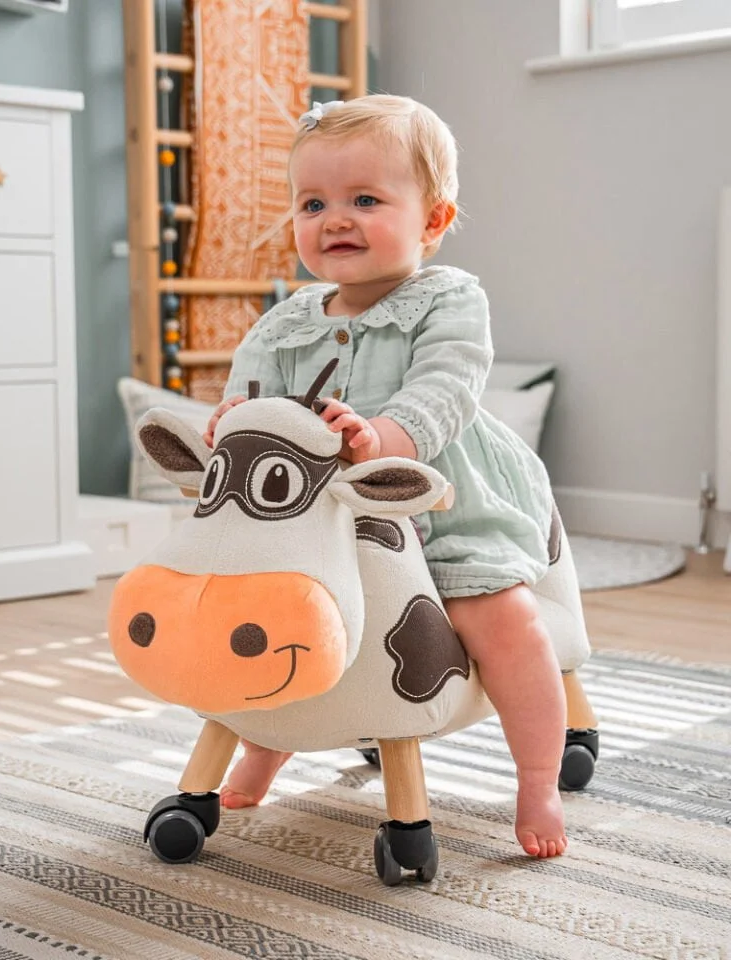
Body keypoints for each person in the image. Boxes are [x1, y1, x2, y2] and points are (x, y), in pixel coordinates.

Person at [202, 95, 568, 858]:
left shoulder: (449, 298)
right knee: (280, 623)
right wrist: (233, 421)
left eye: (365, 200)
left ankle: (536, 776)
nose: (335, 219)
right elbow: (252, 395)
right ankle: (269, 740)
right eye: (314, 203)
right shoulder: (285, 321)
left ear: (432, 221)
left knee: (502, 619)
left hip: (441, 505)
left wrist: (384, 438)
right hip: (322, 523)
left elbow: (447, 388)